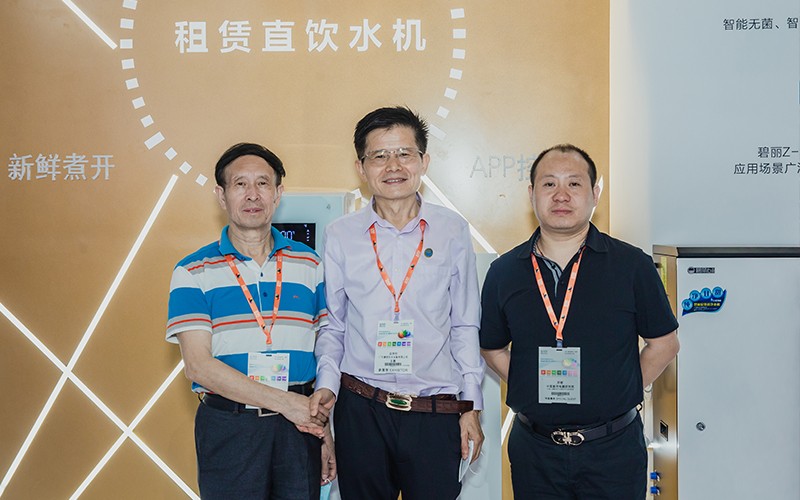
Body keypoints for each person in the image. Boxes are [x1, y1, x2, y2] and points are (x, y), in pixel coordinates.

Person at [480, 144, 680, 499]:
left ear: (594, 194)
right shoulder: (504, 272)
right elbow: (492, 348)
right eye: (549, 184)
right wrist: (530, 383)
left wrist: (618, 389)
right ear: (531, 194)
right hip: (535, 451)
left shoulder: (631, 265)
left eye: (574, 183)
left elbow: (664, 344)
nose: (561, 195)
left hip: (614, 450)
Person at [312, 106, 485, 500]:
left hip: (434, 411)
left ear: (424, 161)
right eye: (379, 156)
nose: (393, 166)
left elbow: (464, 324)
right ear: (361, 167)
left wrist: (470, 406)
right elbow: (334, 324)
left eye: (404, 153)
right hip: (361, 407)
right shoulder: (341, 235)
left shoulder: (452, 229)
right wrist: (326, 387)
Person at [166, 143, 336, 499]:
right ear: (221, 195)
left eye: (263, 183)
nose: (252, 194)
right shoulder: (192, 271)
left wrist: (325, 432)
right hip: (231, 427)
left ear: (278, 194)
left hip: (301, 427)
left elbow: (326, 347)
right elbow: (198, 366)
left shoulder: (310, 263)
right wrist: (284, 403)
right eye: (240, 184)